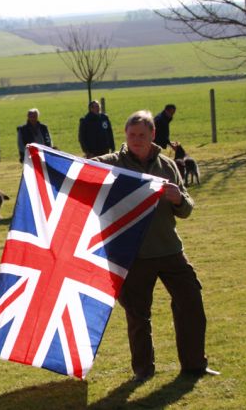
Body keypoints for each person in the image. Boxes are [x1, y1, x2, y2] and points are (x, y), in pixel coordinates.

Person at [93, 110, 219, 382]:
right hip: (133, 255)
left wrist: (178, 199)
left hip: (170, 250)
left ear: (153, 136)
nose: (136, 140)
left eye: (142, 135)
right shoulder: (112, 164)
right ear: (125, 135)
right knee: (138, 316)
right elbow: (78, 169)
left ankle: (195, 365)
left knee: (191, 304)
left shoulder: (167, 166)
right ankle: (143, 371)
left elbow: (186, 209)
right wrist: (41, 157)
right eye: (132, 134)